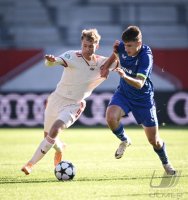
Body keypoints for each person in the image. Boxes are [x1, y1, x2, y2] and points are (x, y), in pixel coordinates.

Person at [21, 28, 119, 175]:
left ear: (96, 46)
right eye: (85, 46)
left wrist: (117, 51)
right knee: (48, 136)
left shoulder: (102, 62)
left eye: (91, 46)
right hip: (56, 99)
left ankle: (30, 164)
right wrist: (51, 61)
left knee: (54, 130)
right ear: (82, 44)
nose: (87, 49)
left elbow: (119, 62)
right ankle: (60, 148)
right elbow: (53, 63)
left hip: (74, 104)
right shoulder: (72, 56)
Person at [100, 26, 176, 175]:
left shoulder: (145, 56)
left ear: (139, 43)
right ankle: (125, 140)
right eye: (125, 45)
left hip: (143, 99)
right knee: (110, 117)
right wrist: (106, 66)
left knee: (154, 141)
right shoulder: (123, 46)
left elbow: (140, 83)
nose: (126, 48)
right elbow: (117, 53)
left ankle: (166, 163)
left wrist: (123, 75)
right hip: (124, 94)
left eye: (129, 46)